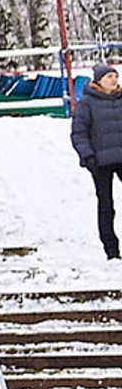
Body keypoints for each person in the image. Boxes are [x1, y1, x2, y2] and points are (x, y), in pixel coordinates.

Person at [70, 63, 122, 262]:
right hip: (101, 161)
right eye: (109, 76)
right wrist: (87, 156)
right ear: (99, 80)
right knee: (106, 204)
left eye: (115, 76)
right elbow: (79, 133)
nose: (114, 80)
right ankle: (112, 250)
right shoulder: (87, 103)